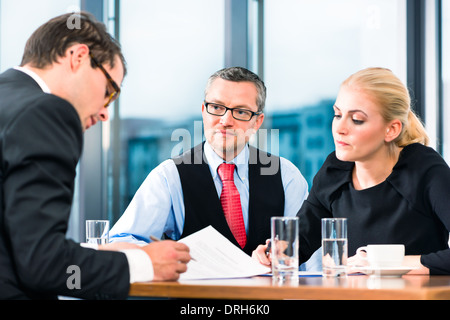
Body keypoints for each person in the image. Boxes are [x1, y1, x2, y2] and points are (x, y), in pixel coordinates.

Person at [0, 12, 190, 300]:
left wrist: (94, 254)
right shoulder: (47, 113)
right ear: (78, 56)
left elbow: (19, 245)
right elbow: (42, 265)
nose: (104, 112)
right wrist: (144, 264)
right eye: (109, 91)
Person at [253, 67, 450, 275]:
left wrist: (386, 264)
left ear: (391, 129)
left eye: (356, 119)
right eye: (337, 115)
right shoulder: (335, 171)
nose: (340, 128)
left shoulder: (424, 168)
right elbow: (299, 241)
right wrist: (274, 253)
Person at [109, 66, 311, 258]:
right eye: (216, 107)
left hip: (267, 294)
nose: (225, 120)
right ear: (204, 111)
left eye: (241, 111)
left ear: (257, 122)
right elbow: (122, 241)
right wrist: (160, 254)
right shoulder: (169, 177)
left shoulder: (286, 176)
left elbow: (310, 260)